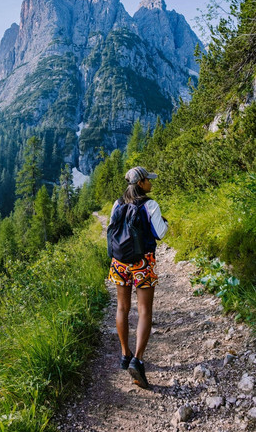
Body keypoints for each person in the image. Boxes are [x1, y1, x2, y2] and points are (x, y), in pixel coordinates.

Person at [108, 166, 168, 388]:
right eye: (148, 180)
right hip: (142, 262)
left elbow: (112, 228)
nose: (151, 183)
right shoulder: (150, 205)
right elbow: (160, 233)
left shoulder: (118, 203)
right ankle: (138, 359)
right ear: (141, 183)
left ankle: (125, 354)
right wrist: (166, 222)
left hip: (119, 262)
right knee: (144, 311)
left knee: (122, 308)